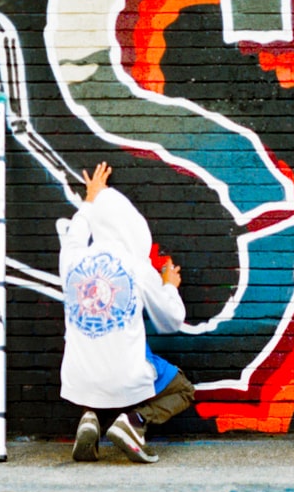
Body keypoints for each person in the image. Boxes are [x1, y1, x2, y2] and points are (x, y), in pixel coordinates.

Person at [57, 162, 195, 463]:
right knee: (182, 388)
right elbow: (171, 320)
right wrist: (169, 286)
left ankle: (89, 418)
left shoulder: (70, 258)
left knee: (96, 359)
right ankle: (133, 424)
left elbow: (76, 232)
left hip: (77, 381)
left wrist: (92, 198)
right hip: (126, 379)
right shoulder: (136, 266)